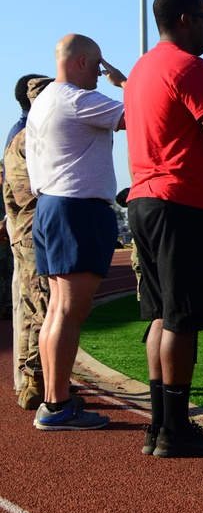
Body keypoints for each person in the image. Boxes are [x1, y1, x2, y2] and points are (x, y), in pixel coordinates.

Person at [126, 0, 203, 457]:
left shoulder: (140, 69)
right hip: (184, 204)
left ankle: (161, 425)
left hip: (144, 200)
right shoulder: (190, 67)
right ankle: (175, 430)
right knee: (182, 319)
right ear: (184, 20)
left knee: (160, 315)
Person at [27, 34, 127, 431]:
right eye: (100, 66)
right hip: (77, 209)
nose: (102, 75)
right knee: (70, 311)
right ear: (83, 62)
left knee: (56, 309)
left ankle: (55, 397)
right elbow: (139, 116)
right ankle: (57, 404)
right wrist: (126, 84)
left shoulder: (44, 101)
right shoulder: (75, 99)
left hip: (51, 207)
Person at [5, 75, 52, 409]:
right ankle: (35, 381)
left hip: (22, 231)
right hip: (34, 233)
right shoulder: (31, 138)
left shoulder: (16, 134)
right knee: (42, 308)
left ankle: (29, 378)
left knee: (29, 307)